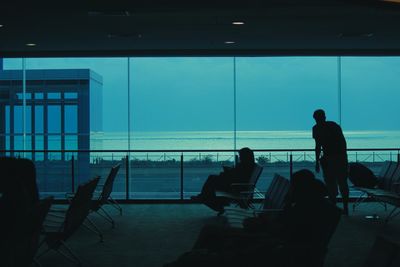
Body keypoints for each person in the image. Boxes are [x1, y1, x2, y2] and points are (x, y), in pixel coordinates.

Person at [164, 169, 341, 267]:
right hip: (270, 247)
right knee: (209, 237)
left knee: (200, 250)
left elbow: (276, 236)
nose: (290, 191)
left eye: (293, 188)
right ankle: (197, 255)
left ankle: (195, 256)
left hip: (267, 251)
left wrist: (248, 234)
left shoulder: (301, 213)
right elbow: (281, 232)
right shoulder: (311, 210)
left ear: (300, 190)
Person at [191, 147, 255, 213]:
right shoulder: (248, 164)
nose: (239, 157)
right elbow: (238, 174)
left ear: (245, 156)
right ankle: (208, 199)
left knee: (212, 181)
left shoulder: (244, 165)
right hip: (236, 184)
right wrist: (229, 171)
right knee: (212, 180)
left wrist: (228, 172)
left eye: (240, 155)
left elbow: (238, 176)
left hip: (236, 187)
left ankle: (208, 200)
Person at [312, 109, 349, 215]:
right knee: (341, 182)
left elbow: (318, 146)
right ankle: (344, 207)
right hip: (338, 158)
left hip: (330, 159)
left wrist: (317, 162)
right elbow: (343, 143)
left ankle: (335, 207)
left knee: (331, 183)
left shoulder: (316, 128)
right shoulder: (334, 126)